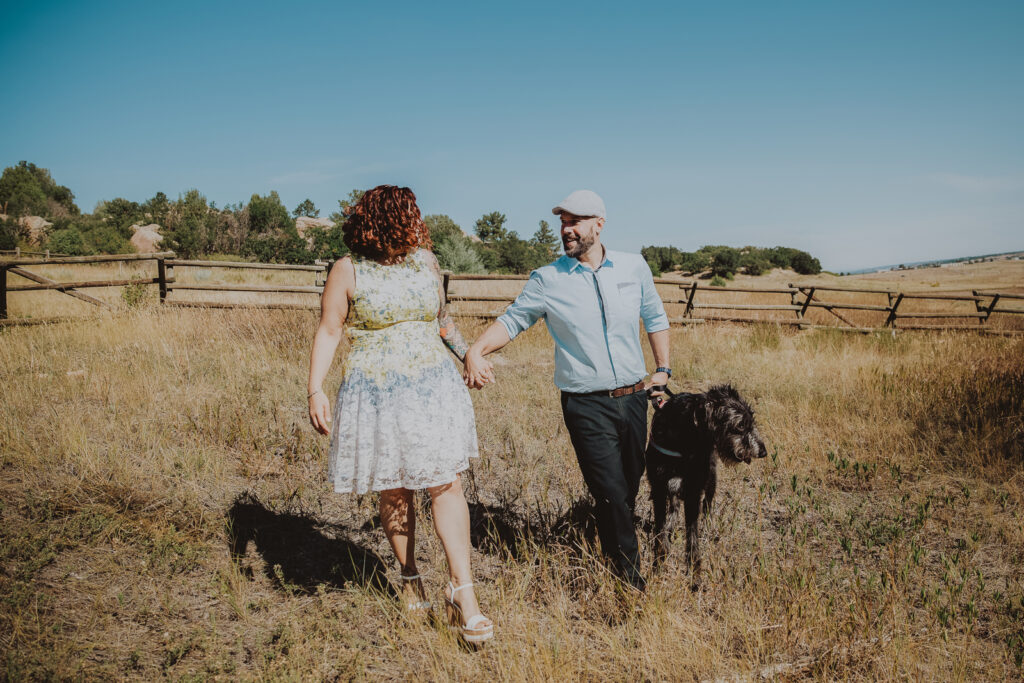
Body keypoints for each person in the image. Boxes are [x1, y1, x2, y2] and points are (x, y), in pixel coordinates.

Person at [307, 185, 493, 644]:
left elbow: (442, 320)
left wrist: (468, 355)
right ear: (387, 219)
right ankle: (411, 579)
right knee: (395, 487)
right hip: (377, 395)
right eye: (409, 215)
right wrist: (315, 388)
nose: (416, 223)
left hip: (432, 389)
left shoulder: (426, 262)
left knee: (446, 482)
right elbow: (330, 329)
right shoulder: (347, 270)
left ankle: (463, 594)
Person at [464, 189, 671, 592]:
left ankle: (602, 542)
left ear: (599, 224)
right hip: (585, 404)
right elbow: (513, 321)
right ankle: (629, 582)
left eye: (575, 221)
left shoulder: (634, 267)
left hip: (633, 399)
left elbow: (655, 317)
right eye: (563, 221)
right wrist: (476, 348)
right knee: (610, 492)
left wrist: (662, 369)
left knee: (627, 486)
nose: (566, 229)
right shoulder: (548, 279)